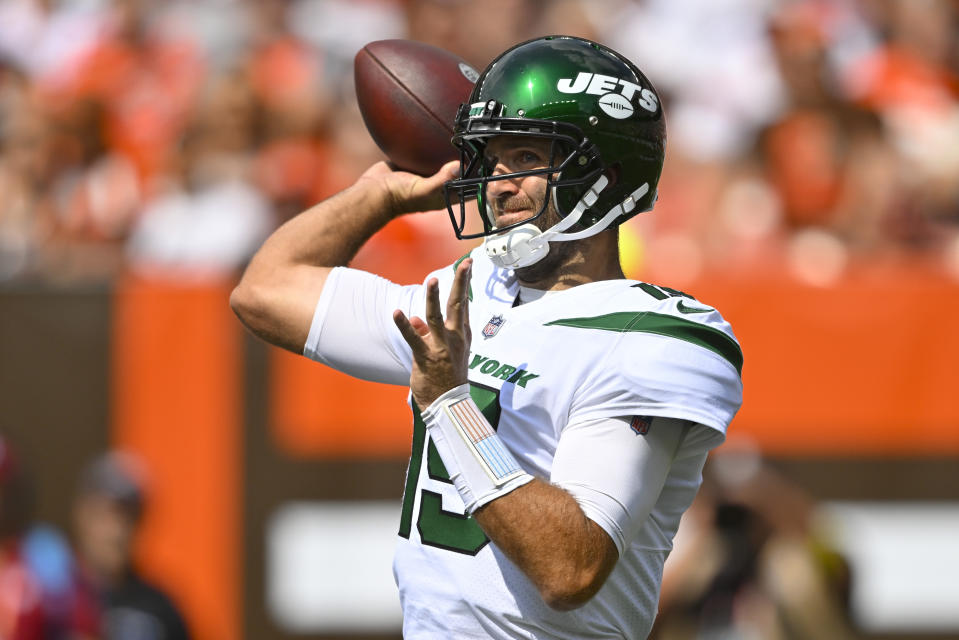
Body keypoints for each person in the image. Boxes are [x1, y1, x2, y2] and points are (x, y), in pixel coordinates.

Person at [232, 35, 743, 639]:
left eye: (525, 159)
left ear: (603, 177)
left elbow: (570, 569)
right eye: (491, 160)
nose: (498, 185)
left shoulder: (649, 337)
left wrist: (450, 404)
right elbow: (264, 292)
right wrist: (380, 196)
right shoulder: (474, 294)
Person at [71, 452, 191, 640]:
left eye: (129, 517)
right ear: (82, 515)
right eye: (106, 515)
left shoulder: (161, 609)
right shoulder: (50, 597)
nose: (117, 531)